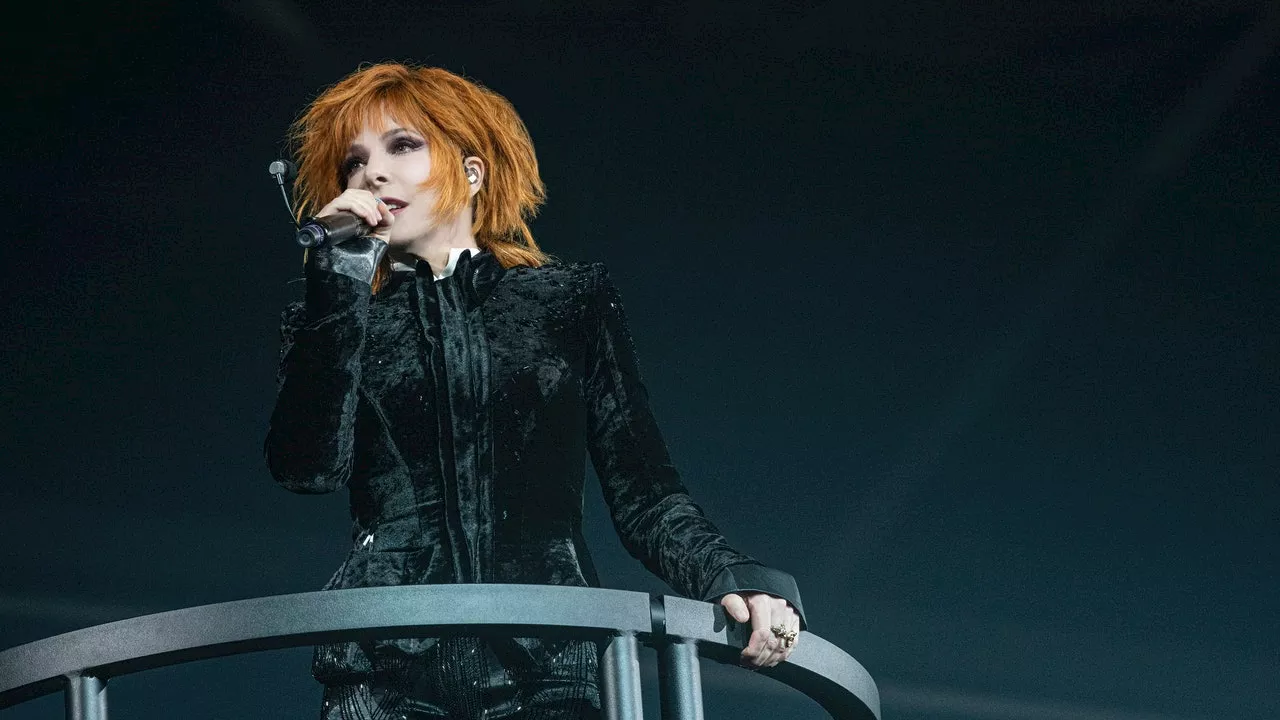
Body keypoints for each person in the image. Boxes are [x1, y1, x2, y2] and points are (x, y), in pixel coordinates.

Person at [264, 62, 805, 720]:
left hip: (549, 652)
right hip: (386, 658)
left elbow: (645, 494)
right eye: (354, 163)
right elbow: (307, 467)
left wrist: (733, 579)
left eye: (403, 145)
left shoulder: (568, 301)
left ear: (470, 171)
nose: (372, 173)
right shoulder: (339, 320)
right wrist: (340, 288)